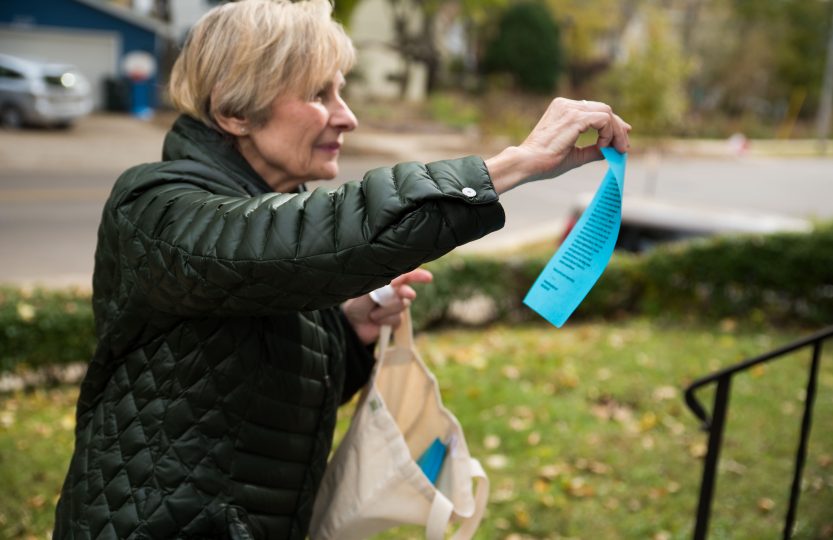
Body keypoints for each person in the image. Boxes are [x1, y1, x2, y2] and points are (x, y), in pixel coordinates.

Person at [53, 0, 630, 538]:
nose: (346, 116)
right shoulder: (155, 205)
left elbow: (261, 384)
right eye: (318, 94)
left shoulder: (280, 231)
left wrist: (348, 334)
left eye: (342, 91)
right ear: (233, 111)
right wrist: (509, 166)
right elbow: (295, 237)